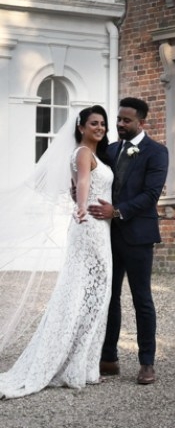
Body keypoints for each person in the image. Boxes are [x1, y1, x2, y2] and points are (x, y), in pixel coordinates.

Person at [0, 106, 113, 398]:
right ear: (81, 127)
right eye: (93, 123)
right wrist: (81, 207)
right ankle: (75, 366)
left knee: (92, 295)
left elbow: (79, 182)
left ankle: (83, 365)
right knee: (89, 294)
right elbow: (84, 182)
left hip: (99, 228)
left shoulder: (88, 154)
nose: (99, 127)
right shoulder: (83, 153)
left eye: (102, 123)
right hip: (89, 226)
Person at [87, 96, 168, 386]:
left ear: (141, 122)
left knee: (142, 299)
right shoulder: (109, 150)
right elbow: (95, 177)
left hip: (138, 237)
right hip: (107, 235)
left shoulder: (157, 153)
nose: (119, 124)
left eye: (126, 120)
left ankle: (147, 363)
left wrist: (117, 211)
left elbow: (150, 195)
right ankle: (108, 358)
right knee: (109, 297)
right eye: (118, 119)